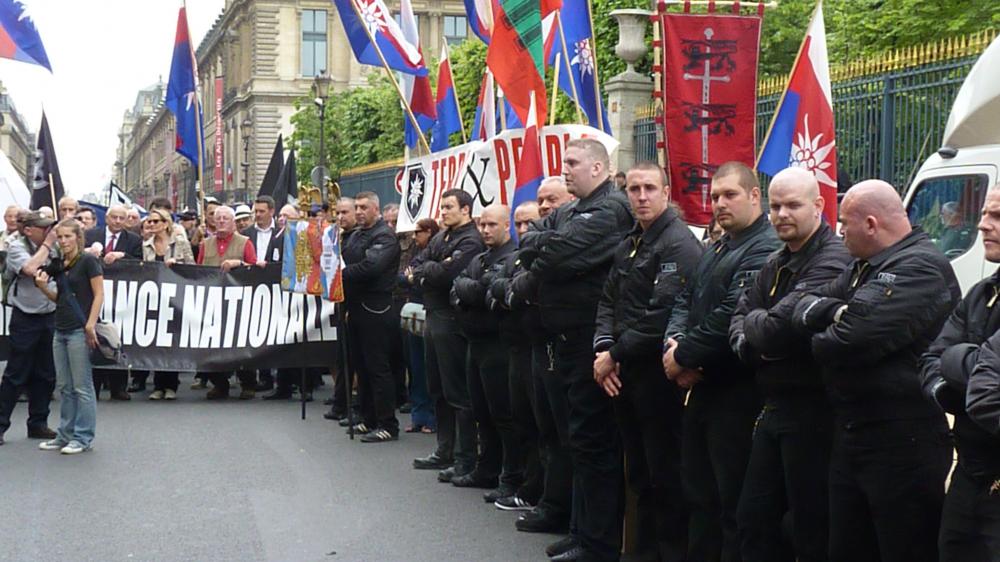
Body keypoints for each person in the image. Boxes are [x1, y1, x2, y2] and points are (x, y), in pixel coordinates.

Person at [793, 179, 960, 562]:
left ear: (870, 224)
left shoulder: (922, 267)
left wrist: (824, 329)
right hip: (854, 434)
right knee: (846, 548)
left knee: (904, 548)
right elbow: (799, 303)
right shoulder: (861, 267)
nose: (839, 232)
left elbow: (848, 340)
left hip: (903, 441)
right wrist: (834, 313)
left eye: (844, 223)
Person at [518, 139, 634, 562]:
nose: (565, 169)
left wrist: (543, 249)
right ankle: (581, 530)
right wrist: (542, 247)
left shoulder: (610, 209)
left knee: (594, 443)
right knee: (577, 441)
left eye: (573, 162)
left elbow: (551, 255)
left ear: (598, 167)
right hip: (565, 342)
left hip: (590, 341)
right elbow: (531, 241)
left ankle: (598, 543)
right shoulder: (571, 210)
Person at [728, 167, 851, 562]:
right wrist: (754, 341)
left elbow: (778, 329)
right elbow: (741, 317)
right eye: (776, 205)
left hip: (814, 410)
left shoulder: (833, 260)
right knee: (753, 519)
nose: (781, 214)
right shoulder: (777, 259)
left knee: (809, 524)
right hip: (775, 405)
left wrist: (758, 331)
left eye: (792, 205)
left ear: (818, 206)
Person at [662, 161, 780, 562]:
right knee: (698, 493)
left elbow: (731, 314)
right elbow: (685, 299)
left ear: (754, 196)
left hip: (737, 390)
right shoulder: (719, 246)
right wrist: (674, 345)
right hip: (702, 386)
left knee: (732, 499)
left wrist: (682, 356)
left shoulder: (763, 247)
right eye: (714, 197)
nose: (719, 204)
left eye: (730, 195)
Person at [593, 162, 703, 562]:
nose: (641, 196)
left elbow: (661, 315)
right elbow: (608, 300)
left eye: (650, 188)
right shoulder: (630, 242)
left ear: (666, 192)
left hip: (657, 375)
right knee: (639, 471)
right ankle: (642, 551)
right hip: (625, 371)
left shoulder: (678, 243)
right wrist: (604, 348)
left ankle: (668, 553)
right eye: (634, 188)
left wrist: (613, 355)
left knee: (665, 474)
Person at [921, 184, 1000, 561]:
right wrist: (952, 389)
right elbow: (932, 359)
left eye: (996, 216)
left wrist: (965, 367)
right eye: (984, 213)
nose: (983, 224)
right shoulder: (982, 292)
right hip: (969, 473)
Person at [501, 178, 577, 533]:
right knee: (542, 429)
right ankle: (549, 499)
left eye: (552, 200)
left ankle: (560, 508)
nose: (545, 206)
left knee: (563, 435)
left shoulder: (569, 239)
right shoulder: (537, 242)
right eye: (541, 199)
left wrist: (521, 290)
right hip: (535, 344)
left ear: (571, 200)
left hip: (560, 345)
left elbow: (531, 282)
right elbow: (511, 285)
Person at [410, 189, 485, 481]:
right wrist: (432, 269)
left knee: (457, 391)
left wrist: (429, 271)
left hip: (451, 319)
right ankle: (444, 450)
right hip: (433, 315)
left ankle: (465, 457)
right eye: (441, 207)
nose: (443, 212)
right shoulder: (441, 237)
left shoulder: (471, 239)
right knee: (437, 387)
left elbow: (446, 276)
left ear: (465, 209)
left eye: (449, 207)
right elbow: (416, 266)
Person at [452, 204, 519, 493]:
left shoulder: (512, 256)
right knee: (480, 410)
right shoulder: (479, 258)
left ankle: (510, 476)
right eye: (482, 225)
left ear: (506, 225)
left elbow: (486, 292)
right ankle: (487, 469)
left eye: (492, 225)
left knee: (502, 413)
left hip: (498, 345)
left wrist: (471, 291)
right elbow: (457, 287)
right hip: (475, 343)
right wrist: (471, 291)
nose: (486, 230)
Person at [35, 219, 103, 455]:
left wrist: (90, 324)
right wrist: (43, 287)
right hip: (60, 327)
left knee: (82, 386)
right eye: (60, 237)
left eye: (68, 236)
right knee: (64, 386)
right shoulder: (59, 264)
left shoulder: (88, 261)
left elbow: (99, 294)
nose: (63, 241)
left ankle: (82, 437)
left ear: (78, 237)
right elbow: (60, 298)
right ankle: (65, 434)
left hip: (78, 329)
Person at [340, 192, 401, 442]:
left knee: (378, 367)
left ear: (376, 209)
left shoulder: (385, 236)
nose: (359, 211)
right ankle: (368, 418)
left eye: (364, 207)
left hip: (377, 307)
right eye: (356, 207)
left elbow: (371, 267)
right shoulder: (356, 235)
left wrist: (340, 274)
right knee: (361, 366)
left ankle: (388, 423)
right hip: (355, 306)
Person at [0, 211, 58, 446]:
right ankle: (1, 424)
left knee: (46, 373)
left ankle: (38, 423)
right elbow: (30, 269)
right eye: (43, 228)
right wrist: (47, 245)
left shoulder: (55, 247)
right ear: (28, 230)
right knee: (16, 372)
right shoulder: (17, 247)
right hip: (25, 315)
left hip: (49, 313)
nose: (48, 232)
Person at [196, 206, 259, 399]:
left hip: (238, 303)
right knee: (212, 345)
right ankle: (219, 384)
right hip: (212, 302)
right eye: (218, 218)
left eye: (226, 218)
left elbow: (255, 268)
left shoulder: (245, 242)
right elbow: (197, 270)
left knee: (241, 344)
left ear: (233, 222)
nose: (222, 221)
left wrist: (238, 264)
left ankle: (248, 384)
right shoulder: (205, 244)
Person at [84, 204, 142, 401]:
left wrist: (123, 255)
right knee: (96, 340)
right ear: (107, 218)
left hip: (121, 298)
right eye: (114, 217)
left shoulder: (133, 240)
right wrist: (88, 251)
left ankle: (119, 387)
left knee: (117, 339)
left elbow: (142, 263)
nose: (117, 221)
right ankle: (94, 387)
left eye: (121, 218)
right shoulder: (91, 235)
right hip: (94, 294)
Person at [141, 208, 195, 401]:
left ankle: (171, 385)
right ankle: (158, 386)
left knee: (172, 341)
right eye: (149, 221)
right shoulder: (146, 244)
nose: (151, 224)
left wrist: (177, 263)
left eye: (155, 221)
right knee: (156, 342)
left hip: (176, 297)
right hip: (155, 297)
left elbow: (193, 268)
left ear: (166, 223)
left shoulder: (180, 242)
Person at [396, 217, 439, 433]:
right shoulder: (418, 253)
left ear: (429, 232)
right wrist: (413, 278)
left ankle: (432, 417)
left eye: (418, 232)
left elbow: (428, 278)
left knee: (429, 366)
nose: (414, 237)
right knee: (415, 366)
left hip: (429, 310)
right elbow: (402, 277)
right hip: (414, 312)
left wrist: (414, 278)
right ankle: (418, 415)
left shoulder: (436, 251)